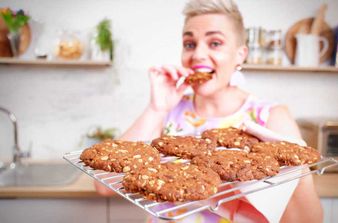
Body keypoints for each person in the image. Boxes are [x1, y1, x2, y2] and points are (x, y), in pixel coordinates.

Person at [95, 0, 323, 222]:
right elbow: (103, 186)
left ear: (240, 54)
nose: (198, 55)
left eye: (215, 43)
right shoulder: (169, 111)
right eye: (189, 44)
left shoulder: (271, 117)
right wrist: (157, 107)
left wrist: (298, 170)